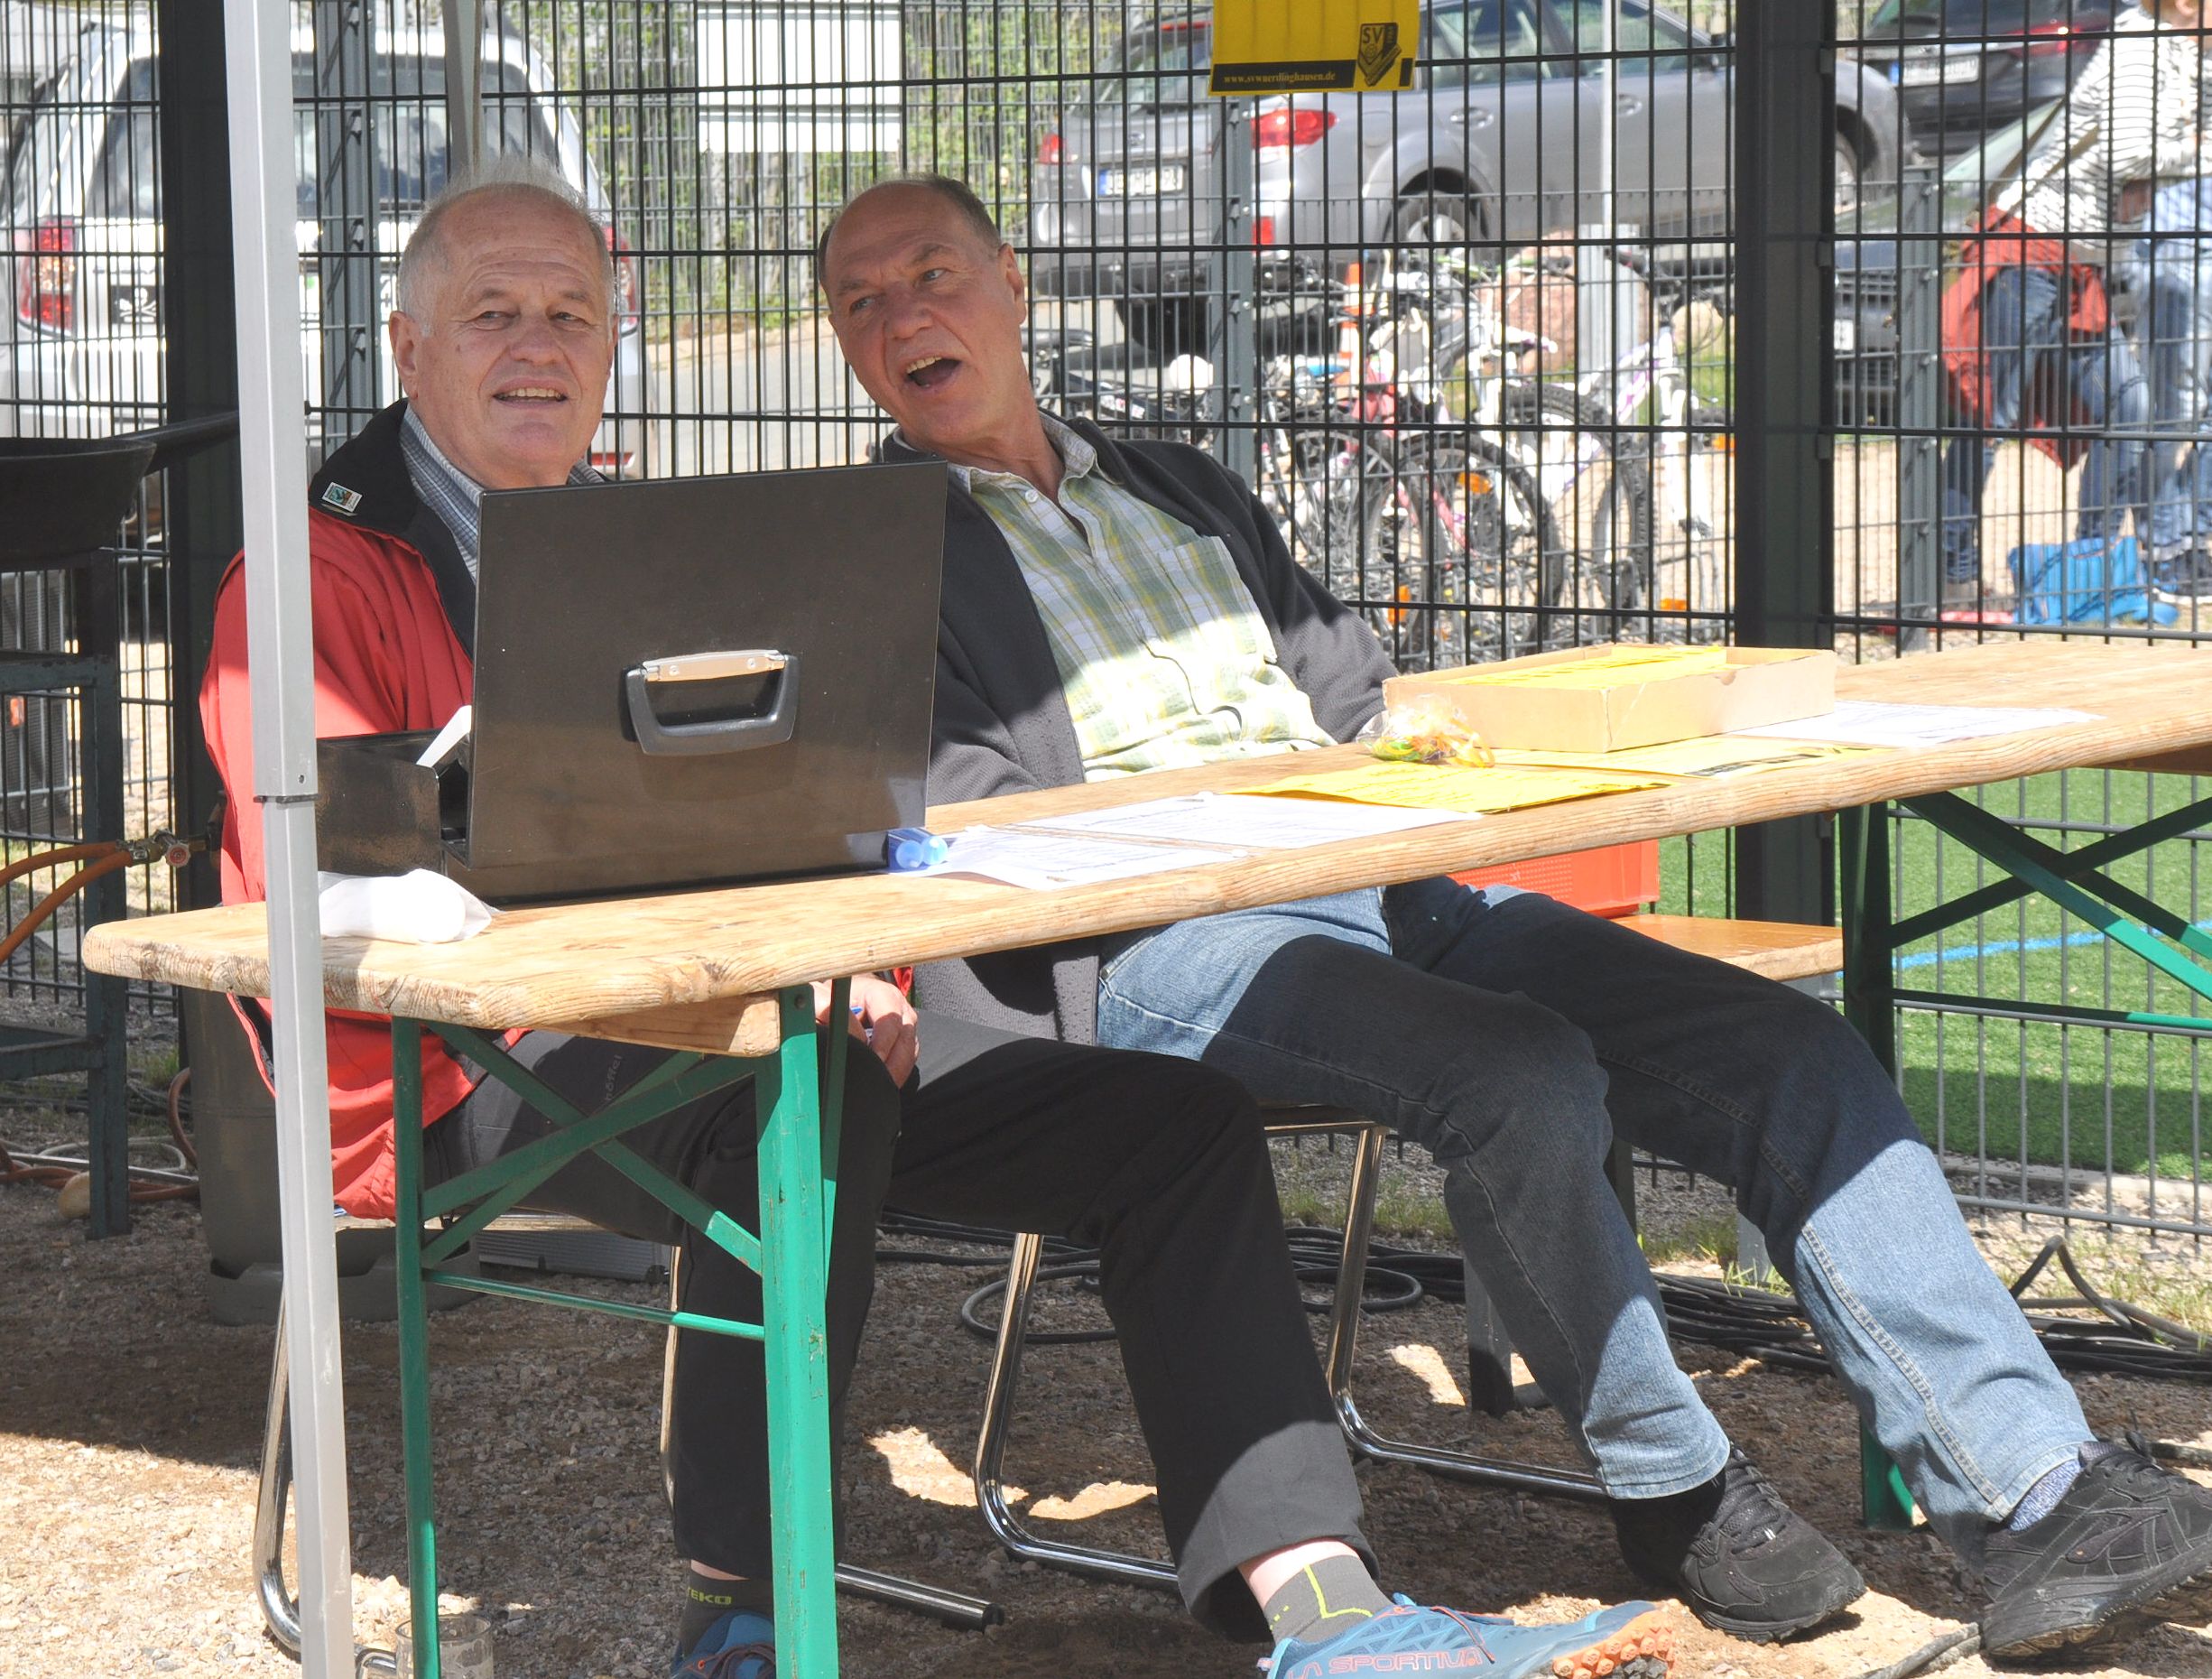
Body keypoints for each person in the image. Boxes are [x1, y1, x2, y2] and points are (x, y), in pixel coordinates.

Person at [200, 157, 1679, 1679]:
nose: (538, 346)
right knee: (803, 1095)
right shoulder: (310, 576)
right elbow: (322, 897)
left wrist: (852, 961)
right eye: (493, 313)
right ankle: (743, 1620)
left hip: (736, 1026)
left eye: (571, 313)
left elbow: (800, 808)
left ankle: (1323, 1610)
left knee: (1168, 1128)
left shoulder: (645, 548)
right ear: (406, 348)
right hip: (452, 1076)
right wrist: (711, 975)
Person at [816, 172, 2212, 1661]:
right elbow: (972, 813)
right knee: (1516, 1070)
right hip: (1155, 942)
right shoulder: (868, 548)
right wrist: (1283, 801)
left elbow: (1352, 692)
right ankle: (1672, 1484)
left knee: (1788, 1056)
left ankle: (2035, 1493)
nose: (903, 317)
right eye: (860, 302)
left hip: (1395, 879)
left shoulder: (1180, 483)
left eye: (932, 275)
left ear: (1013, 284)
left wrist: (1416, 763)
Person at [1940, 0, 2207, 616]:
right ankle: (1949, 574)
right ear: (2185, 5)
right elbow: (2126, 155)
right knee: (1987, 420)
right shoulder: (2139, 48)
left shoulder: (2183, 54)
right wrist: (2192, 149)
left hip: (2080, 266)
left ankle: (2090, 565)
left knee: (2129, 408)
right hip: (2031, 250)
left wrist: (2180, 151)